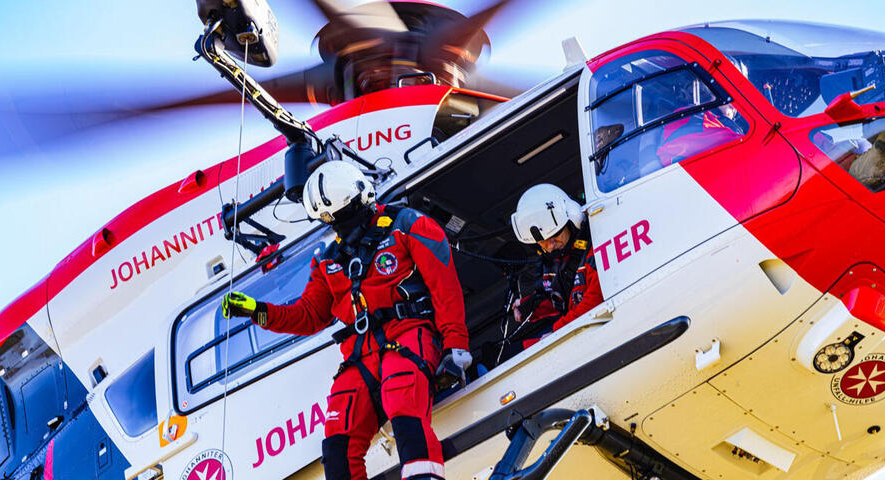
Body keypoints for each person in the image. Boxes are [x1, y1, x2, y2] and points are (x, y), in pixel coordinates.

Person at [222, 161, 471, 480]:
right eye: (330, 220)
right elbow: (309, 316)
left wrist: (456, 347)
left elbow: (444, 286)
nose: (338, 226)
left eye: (341, 216)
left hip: (408, 334)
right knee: (337, 445)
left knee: (403, 405)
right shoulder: (328, 261)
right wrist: (257, 310)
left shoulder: (408, 225)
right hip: (360, 357)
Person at [509, 184, 604, 349]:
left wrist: (556, 332)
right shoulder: (554, 261)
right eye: (543, 241)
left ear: (571, 219)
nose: (550, 245)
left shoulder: (595, 250)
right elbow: (557, 297)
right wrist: (527, 306)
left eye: (554, 235)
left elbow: (594, 301)